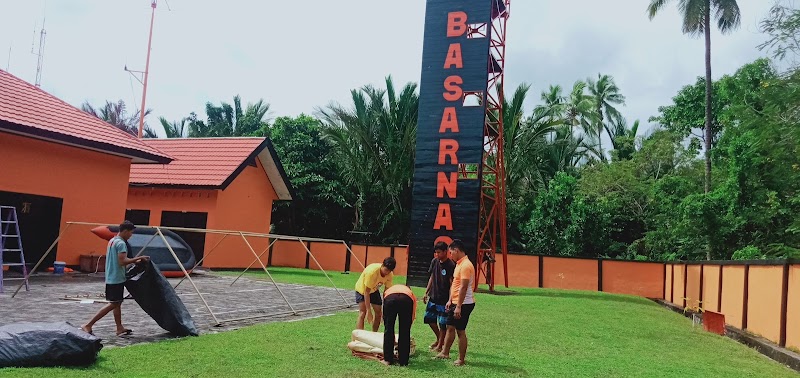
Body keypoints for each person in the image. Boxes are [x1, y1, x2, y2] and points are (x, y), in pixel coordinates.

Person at [81, 221, 149, 336]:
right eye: (131, 233)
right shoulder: (121, 244)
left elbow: (119, 261)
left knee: (117, 303)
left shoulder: (112, 240)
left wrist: (134, 261)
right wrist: (139, 258)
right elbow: (122, 261)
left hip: (112, 276)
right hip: (116, 278)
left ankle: (119, 327)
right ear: (125, 231)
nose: (131, 235)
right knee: (113, 303)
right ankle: (88, 324)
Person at [435, 239, 476, 366]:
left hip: (464, 303)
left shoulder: (466, 265)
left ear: (457, 250)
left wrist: (458, 306)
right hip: (455, 302)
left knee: (460, 330)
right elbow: (455, 284)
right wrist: (450, 300)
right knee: (450, 327)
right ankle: (445, 352)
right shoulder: (459, 263)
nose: (450, 255)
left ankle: (461, 359)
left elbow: (463, 287)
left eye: (451, 252)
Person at [423, 241, 455, 352]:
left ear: (446, 252)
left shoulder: (451, 265)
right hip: (433, 297)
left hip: (444, 299)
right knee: (429, 319)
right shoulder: (434, 261)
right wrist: (426, 292)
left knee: (442, 324)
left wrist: (450, 300)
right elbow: (432, 277)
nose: (437, 255)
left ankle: (440, 345)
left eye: (439, 252)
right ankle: (439, 339)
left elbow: (452, 283)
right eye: (436, 252)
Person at [354, 257, 396, 331]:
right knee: (363, 313)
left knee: (379, 313)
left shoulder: (390, 275)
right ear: (382, 265)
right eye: (386, 270)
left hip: (374, 290)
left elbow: (386, 292)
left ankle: (374, 333)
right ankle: (358, 337)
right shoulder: (372, 272)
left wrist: (385, 309)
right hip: (362, 290)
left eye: (389, 271)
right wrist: (369, 311)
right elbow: (366, 292)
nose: (386, 273)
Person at [380, 284, 417, 366]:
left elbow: (384, 303)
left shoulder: (389, 290)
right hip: (406, 300)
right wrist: (408, 325)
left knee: (389, 329)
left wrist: (385, 320)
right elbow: (413, 313)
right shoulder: (410, 293)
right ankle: (403, 361)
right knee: (404, 331)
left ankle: (388, 360)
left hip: (390, 298)